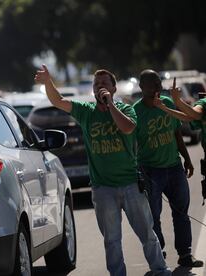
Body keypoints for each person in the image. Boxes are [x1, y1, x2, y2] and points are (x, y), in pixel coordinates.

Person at [34, 65, 170, 276]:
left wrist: (110, 106)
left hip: (130, 185)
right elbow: (58, 101)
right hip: (103, 189)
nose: (100, 87)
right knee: (112, 241)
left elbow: (127, 128)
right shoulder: (86, 111)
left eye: (105, 83)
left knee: (148, 235)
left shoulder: (126, 109)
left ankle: (160, 270)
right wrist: (48, 82)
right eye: (96, 84)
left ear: (114, 89)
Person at [133, 69, 203, 268]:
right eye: (152, 83)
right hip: (150, 171)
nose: (157, 87)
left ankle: (185, 254)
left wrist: (187, 159)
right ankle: (159, 255)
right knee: (153, 216)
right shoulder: (136, 111)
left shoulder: (168, 103)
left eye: (158, 83)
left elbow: (177, 133)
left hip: (174, 167)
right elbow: (132, 143)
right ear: (141, 87)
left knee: (181, 212)